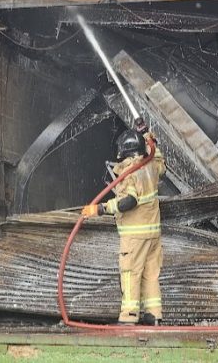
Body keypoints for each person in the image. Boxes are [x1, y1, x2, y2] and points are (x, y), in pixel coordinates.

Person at [83, 129, 166, 326]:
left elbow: (129, 201)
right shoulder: (151, 165)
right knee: (151, 274)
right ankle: (154, 315)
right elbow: (162, 163)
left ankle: (129, 316)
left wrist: (102, 208)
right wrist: (151, 141)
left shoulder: (130, 171)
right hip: (153, 233)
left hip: (134, 235)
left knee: (130, 274)